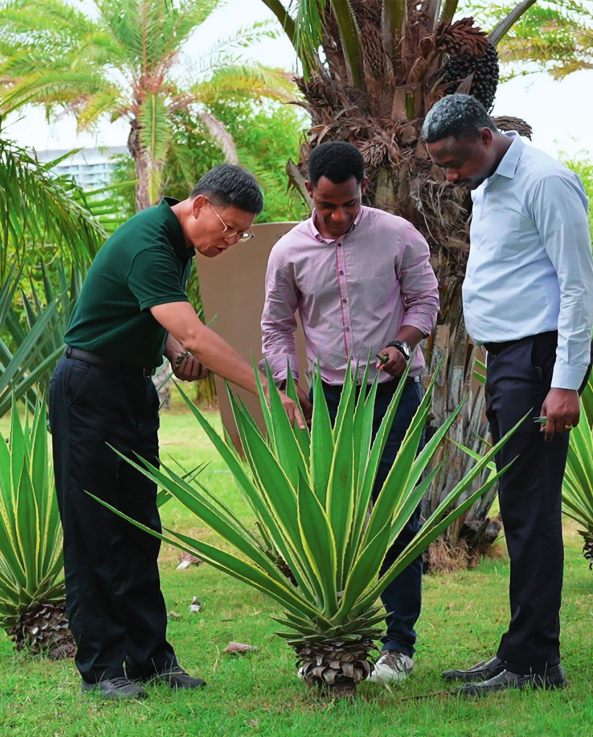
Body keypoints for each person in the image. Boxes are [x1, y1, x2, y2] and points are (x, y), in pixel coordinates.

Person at [50, 165, 305, 702]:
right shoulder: (150, 241)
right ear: (199, 204)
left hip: (131, 388)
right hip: (89, 388)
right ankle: (101, 669)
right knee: (94, 530)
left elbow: (155, 321)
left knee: (141, 528)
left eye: (242, 234)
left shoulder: (177, 243)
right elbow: (192, 330)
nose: (232, 241)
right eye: (230, 228)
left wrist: (171, 352)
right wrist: (265, 391)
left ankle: (150, 660)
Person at [422, 94, 593, 696]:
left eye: (453, 159)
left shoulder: (546, 181)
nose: (448, 174)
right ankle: (517, 652)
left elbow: (577, 287)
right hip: (510, 360)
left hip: (541, 359)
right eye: (439, 163)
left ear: (484, 134)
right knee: (521, 508)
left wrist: (565, 382)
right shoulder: (488, 184)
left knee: (531, 513)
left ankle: (536, 664)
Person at [261, 141, 440, 684]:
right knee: (331, 521)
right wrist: (290, 387)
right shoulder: (287, 252)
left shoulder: (398, 235)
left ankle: (398, 645)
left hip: (391, 395)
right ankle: (338, 637)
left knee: (398, 518)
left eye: (349, 204)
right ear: (309, 193)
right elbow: (274, 327)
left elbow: (425, 301)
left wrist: (402, 346)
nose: (339, 216)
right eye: (327, 206)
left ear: (364, 191)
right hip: (329, 402)